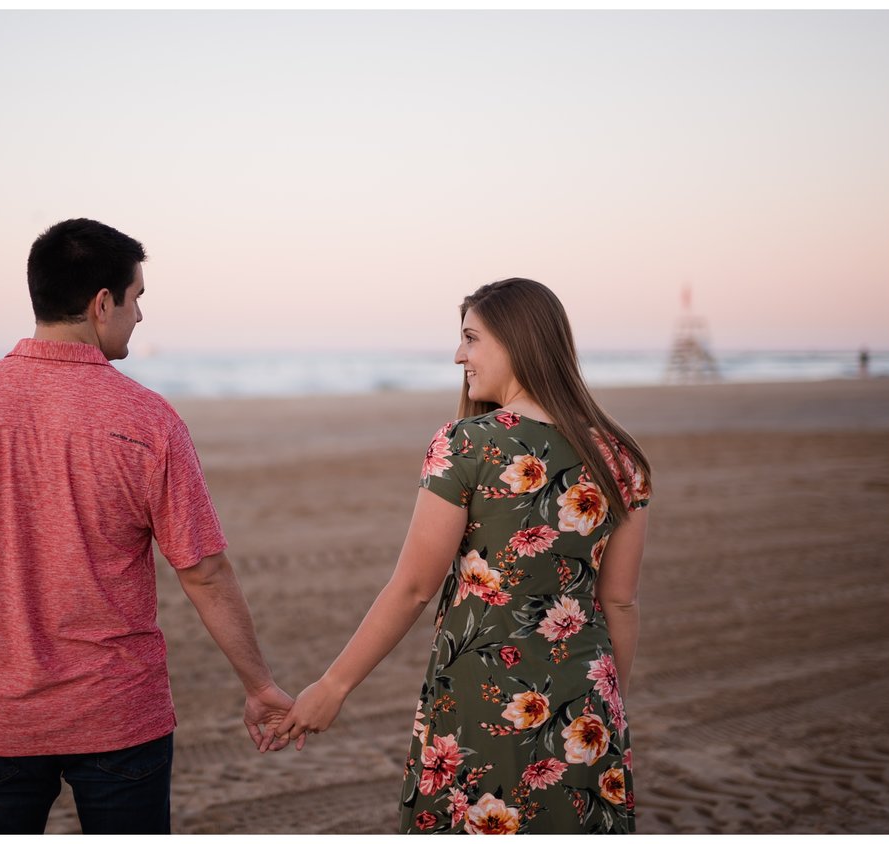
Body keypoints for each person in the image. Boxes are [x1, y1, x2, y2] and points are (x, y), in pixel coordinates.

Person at [0, 218, 295, 835]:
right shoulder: (149, 419)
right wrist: (259, 685)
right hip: (119, 714)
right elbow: (203, 571)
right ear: (103, 303)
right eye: (138, 298)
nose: (141, 317)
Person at [272, 278, 650, 834]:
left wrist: (332, 687)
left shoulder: (467, 444)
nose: (459, 356)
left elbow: (412, 588)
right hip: (588, 707)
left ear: (516, 343)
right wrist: (606, 700)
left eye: (471, 339)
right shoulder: (621, 456)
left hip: (481, 701)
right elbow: (620, 600)